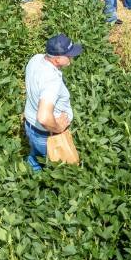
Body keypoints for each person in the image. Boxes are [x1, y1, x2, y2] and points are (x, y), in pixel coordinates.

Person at [23, 34, 83, 172]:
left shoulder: (36, 59)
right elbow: (43, 117)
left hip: (30, 126)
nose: (71, 57)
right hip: (47, 136)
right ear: (56, 60)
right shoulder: (51, 80)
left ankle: (31, 181)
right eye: (68, 55)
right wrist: (58, 128)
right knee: (59, 172)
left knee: (35, 159)